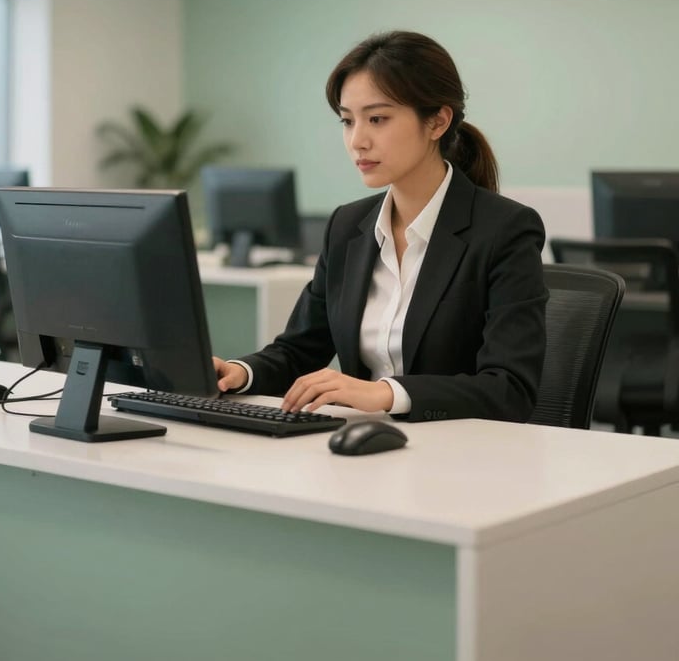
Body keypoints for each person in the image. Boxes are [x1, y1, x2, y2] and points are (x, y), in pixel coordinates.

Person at [213, 31, 547, 422]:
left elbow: (510, 389)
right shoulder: (347, 225)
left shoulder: (505, 230)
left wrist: (387, 394)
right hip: (364, 448)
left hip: (460, 457)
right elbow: (299, 351)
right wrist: (241, 373)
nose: (357, 140)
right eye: (347, 121)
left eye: (377, 119)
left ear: (438, 121)